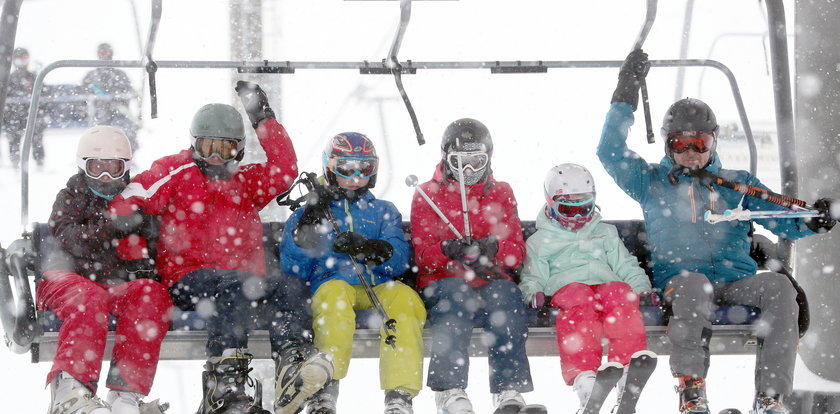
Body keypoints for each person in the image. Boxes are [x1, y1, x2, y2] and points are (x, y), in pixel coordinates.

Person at [597, 50, 837, 414]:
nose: (692, 154)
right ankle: (692, 392)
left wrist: (811, 219)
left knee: (779, 286)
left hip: (735, 281)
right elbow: (610, 151)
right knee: (693, 286)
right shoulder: (651, 182)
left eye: (701, 144)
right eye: (681, 144)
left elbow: (777, 215)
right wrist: (626, 91)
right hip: (681, 283)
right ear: (668, 144)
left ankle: (771, 397)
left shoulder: (736, 185)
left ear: (713, 142)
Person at [108, 81, 334, 414]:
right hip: (189, 278)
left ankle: (292, 359)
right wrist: (137, 253)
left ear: (239, 150)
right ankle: (226, 381)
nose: (215, 156)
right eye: (207, 146)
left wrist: (263, 119)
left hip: (243, 280)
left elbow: (284, 171)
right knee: (234, 284)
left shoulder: (244, 181)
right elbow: (124, 204)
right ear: (193, 143)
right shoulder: (175, 170)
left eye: (225, 149)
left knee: (289, 285)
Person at [279, 132, 426, 414]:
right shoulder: (314, 211)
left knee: (406, 300)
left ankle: (399, 395)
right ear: (330, 168)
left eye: (365, 168)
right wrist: (306, 230)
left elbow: (398, 258)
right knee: (334, 303)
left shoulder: (383, 210)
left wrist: (372, 249)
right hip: (333, 282)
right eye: (346, 168)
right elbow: (293, 268)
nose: (356, 177)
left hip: (379, 284)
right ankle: (324, 388)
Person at [410, 118, 539, 414]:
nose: (468, 170)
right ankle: (450, 391)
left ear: (489, 158)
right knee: (456, 295)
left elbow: (516, 251)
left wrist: (492, 247)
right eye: (460, 162)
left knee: (506, 296)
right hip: (445, 283)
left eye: (476, 161)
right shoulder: (428, 195)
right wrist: (447, 250)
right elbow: (423, 257)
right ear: (446, 159)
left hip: (488, 280)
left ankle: (509, 389)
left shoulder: (501, 192)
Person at [39, 125, 170, 414]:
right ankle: (71, 392)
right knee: (89, 298)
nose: (106, 176)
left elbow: (159, 248)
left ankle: (126, 395)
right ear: (83, 166)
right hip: (65, 280)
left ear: (126, 168)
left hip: (112, 284)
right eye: (97, 167)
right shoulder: (71, 197)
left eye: (114, 167)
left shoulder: (135, 199)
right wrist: (110, 225)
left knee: (150, 293)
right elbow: (69, 240)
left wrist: (149, 228)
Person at [518, 163, 654, 411]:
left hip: (606, 286)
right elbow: (533, 274)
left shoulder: (605, 233)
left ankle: (626, 371)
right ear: (551, 205)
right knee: (580, 300)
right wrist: (531, 294)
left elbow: (625, 265)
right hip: (567, 288)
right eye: (568, 210)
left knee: (621, 294)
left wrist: (640, 289)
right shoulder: (540, 241)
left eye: (584, 208)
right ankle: (585, 380)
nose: (578, 218)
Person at [82, 43, 139, 150]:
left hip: (119, 111)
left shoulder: (120, 75)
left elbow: (129, 92)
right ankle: (100, 154)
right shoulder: (91, 76)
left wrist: (116, 98)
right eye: (102, 53)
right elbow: (83, 94)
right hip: (99, 112)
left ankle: (128, 153)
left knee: (128, 129)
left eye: (107, 53)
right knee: (100, 130)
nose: (104, 56)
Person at [2, 47, 46, 167]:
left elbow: (44, 96)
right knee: (13, 139)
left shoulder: (35, 78)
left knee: (36, 139)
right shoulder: (8, 80)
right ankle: (15, 164)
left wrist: (40, 113)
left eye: (24, 59)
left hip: (32, 116)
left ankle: (39, 163)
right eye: (18, 59)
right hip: (13, 116)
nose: (21, 62)